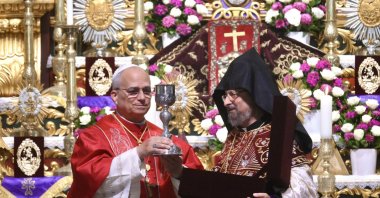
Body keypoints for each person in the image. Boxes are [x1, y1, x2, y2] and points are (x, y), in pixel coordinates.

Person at [69, 66, 203, 198]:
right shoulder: (94, 137)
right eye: (133, 91)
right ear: (115, 96)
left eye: (146, 91)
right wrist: (138, 153)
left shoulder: (166, 139)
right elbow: (87, 181)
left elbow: (200, 185)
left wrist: (178, 173)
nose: (142, 97)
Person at [212, 48, 318, 198]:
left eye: (232, 94)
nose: (227, 102)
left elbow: (306, 188)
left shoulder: (277, 136)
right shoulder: (234, 136)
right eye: (225, 95)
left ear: (253, 94)